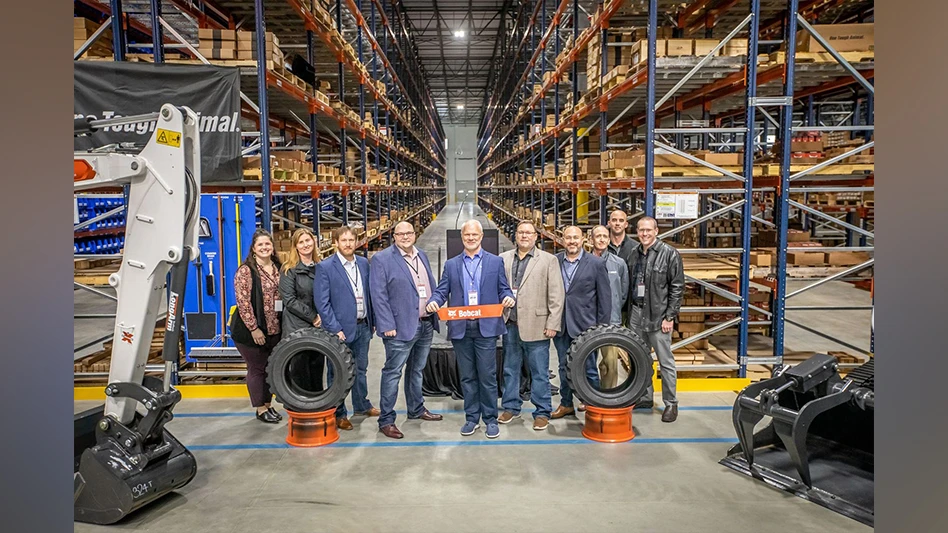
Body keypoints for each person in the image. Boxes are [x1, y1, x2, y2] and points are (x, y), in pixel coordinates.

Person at [426, 220, 515, 439]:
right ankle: (472, 418)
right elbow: (442, 290)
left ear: (481, 236)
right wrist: (434, 301)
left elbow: (504, 289)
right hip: (461, 329)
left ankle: (490, 419)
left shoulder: (495, 262)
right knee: (467, 377)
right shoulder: (452, 265)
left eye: (475, 235)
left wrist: (508, 297)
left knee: (487, 376)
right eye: (467, 235)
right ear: (462, 237)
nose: (471, 238)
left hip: (486, 328)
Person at [369, 222, 444, 440]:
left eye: (409, 233)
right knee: (393, 372)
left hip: (425, 323)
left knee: (416, 370)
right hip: (399, 327)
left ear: (414, 234)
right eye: (400, 234)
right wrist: (386, 325)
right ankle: (386, 420)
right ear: (394, 236)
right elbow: (378, 295)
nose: (405, 237)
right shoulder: (382, 259)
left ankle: (416, 408)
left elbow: (428, 285)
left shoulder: (421, 255)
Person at [498, 220, 564, 431]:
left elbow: (556, 295)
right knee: (510, 369)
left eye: (528, 233)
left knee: (539, 372)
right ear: (515, 235)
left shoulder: (548, 260)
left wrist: (553, 323)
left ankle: (542, 411)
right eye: (521, 232)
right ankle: (510, 407)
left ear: (535, 237)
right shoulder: (504, 259)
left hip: (538, 325)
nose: (524, 236)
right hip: (510, 324)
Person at [314, 226, 378, 431]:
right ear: (336, 243)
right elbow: (322, 303)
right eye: (344, 240)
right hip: (339, 331)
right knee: (338, 373)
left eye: (351, 240)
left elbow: (369, 293)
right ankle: (339, 413)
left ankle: (361, 405)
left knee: (361, 369)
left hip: (363, 326)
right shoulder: (325, 267)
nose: (348, 244)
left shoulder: (363, 263)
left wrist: (372, 321)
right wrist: (335, 329)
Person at [627, 216, 684, 423]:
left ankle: (671, 403)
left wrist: (670, 316)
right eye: (641, 230)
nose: (644, 234)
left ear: (656, 231)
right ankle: (645, 397)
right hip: (636, 313)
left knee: (665, 361)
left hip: (659, 316)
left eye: (648, 230)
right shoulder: (634, 254)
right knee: (640, 358)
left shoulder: (669, 254)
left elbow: (677, 287)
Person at [551, 226, 612, 420]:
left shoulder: (596, 264)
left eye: (575, 238)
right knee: (563, 367)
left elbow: (605, 299)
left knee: (589, 367)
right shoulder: (555, 261)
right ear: (563, 240)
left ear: (583, 239)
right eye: (568, 238)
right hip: (561, 325)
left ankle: (592, 403)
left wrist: (601, 329)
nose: (572, 241)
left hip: (586, 327)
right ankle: (566, 404)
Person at [230, 229, 284, 424]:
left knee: (269, 368)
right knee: (257, 368)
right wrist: (254, 329)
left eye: (267, 244)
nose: (264, 247)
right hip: (250, 331)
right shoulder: (246, 271)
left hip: (274, 329)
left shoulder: (278, 267)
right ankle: (260, 409)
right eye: (260, 244)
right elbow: (243, 303)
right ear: (253, 248)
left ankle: (268, 405)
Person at [279, 228, 324, 393]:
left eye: (308, 240)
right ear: (295, 246)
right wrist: (313, 317)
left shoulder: (321, 267)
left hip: (318, 329)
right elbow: (289, 300)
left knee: (316, 370)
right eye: (301, 242)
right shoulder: (288, 269)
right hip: (297, 328)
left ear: (314, 241)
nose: (306, 245)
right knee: (300, 373)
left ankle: (318, 405)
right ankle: (301, 407)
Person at [589, 225, 629, 389]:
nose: (602, 239)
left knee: (610, 363)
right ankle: (588, 394)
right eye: (598, 236)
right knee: (586, 361)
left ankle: (608, 395)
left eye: (605, 236)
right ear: (591, 239)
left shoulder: (618, 264)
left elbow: (623, 293)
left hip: (611, 321)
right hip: (587, 321)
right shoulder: (583, 262)